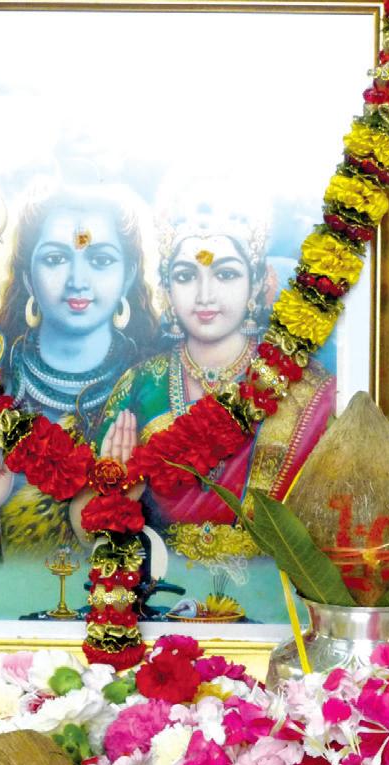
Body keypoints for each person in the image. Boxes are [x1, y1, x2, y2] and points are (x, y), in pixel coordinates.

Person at [94, 199, 335, 616]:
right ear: (166, 288)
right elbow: (86, 522)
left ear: (257, 283)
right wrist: (117, 498)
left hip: (283, 603)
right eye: (186, 276)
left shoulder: (309, 390)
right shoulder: (139, 386)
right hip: (162, 599)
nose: (205, 295)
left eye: (225, 274)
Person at [0, 184, 157, 567]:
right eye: (56, 258)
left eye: (100, 260)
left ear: (128, 275)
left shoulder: (157, 385)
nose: (77, 280)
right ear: (28, 275)